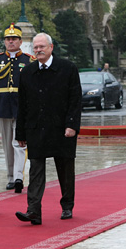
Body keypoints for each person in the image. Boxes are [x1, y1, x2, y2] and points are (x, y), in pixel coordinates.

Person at [15, 33, 82, 225]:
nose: (38, 50)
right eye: (35, 47)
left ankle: (67, 205)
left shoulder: (67, 69)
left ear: (51, 47)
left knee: (65, 168)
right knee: (35, 169)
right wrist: (20, 132)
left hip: (62, 128)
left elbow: (75, 100)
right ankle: (33, 210)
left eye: (42, 47)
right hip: (36, 128)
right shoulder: (27, 72)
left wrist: (71, 125)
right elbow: (23, 105)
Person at [0, 23, 36, 193]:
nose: (11, 42)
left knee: (19, 143)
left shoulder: (28, 60)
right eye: (8, 39)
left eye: (14, 39)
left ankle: (18, 177)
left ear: (20, 41)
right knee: (7, 145)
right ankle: (10, 176)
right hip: (3, 106)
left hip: (21, 107)